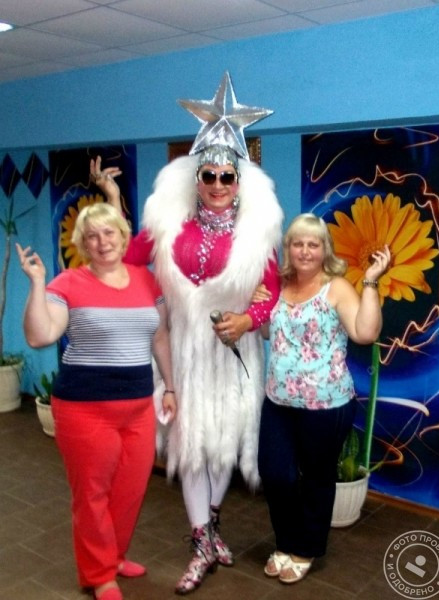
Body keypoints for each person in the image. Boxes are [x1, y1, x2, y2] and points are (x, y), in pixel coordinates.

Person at [90, 72, 284, 594]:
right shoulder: (169, 227)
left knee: (223, 446)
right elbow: (128, 259)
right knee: (190, 445)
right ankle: (202, 543)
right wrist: (113, 198)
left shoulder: (257, 237)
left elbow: (271, 295)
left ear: (239, 181)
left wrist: (248, 320)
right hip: (184, 355)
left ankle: (210, 530)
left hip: (234, 355)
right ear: (196, 178)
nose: (218, 185)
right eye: (209, 175)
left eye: (226, 176)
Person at [16, 203, 177, 600]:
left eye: (109, 233)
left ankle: (115, 556)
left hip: (138, 407)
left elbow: (159, 337)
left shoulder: (147, 280)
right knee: (92, 495)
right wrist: (37, 283)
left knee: (130, 490)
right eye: (92, 236)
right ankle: (99, 574)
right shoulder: (69, 282)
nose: (102, 242)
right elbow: (40, 335)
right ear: (83, 244)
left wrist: (172, 387)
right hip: (84, 409)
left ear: (123, 238)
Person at [257, 213, 390, 585]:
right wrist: (259, 305)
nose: (305, 250)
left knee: (317, 478)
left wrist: (370, 282)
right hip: (278, 401)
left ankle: (305, 548)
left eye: (313, 244)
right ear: (288, 248)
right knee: (275, 473)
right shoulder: (279, 284)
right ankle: (285, 541)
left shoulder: (337, 287)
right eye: (298, 243)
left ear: (324, 250)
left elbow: (365, 333)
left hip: (326, 405)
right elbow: (268, 333)